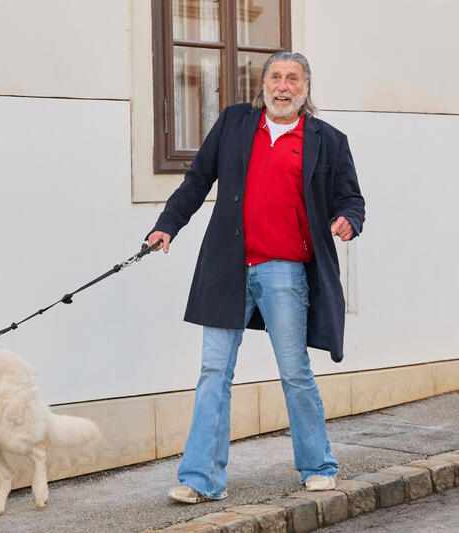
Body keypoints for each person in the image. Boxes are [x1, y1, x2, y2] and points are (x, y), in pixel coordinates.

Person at [147, 52, 365, 503]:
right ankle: (200, 480)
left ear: (306, 89)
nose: (282, 86)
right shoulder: (234, 124)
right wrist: (167, 224)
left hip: (285, 270)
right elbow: (197, 179)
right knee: (213, 372)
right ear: (262, 85)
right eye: (275, 78)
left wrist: (347, 220)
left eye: (293, 79)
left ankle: (318, 465)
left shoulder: (328, 140)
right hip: (228, 267)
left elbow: (351, 199)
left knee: (294, 371)